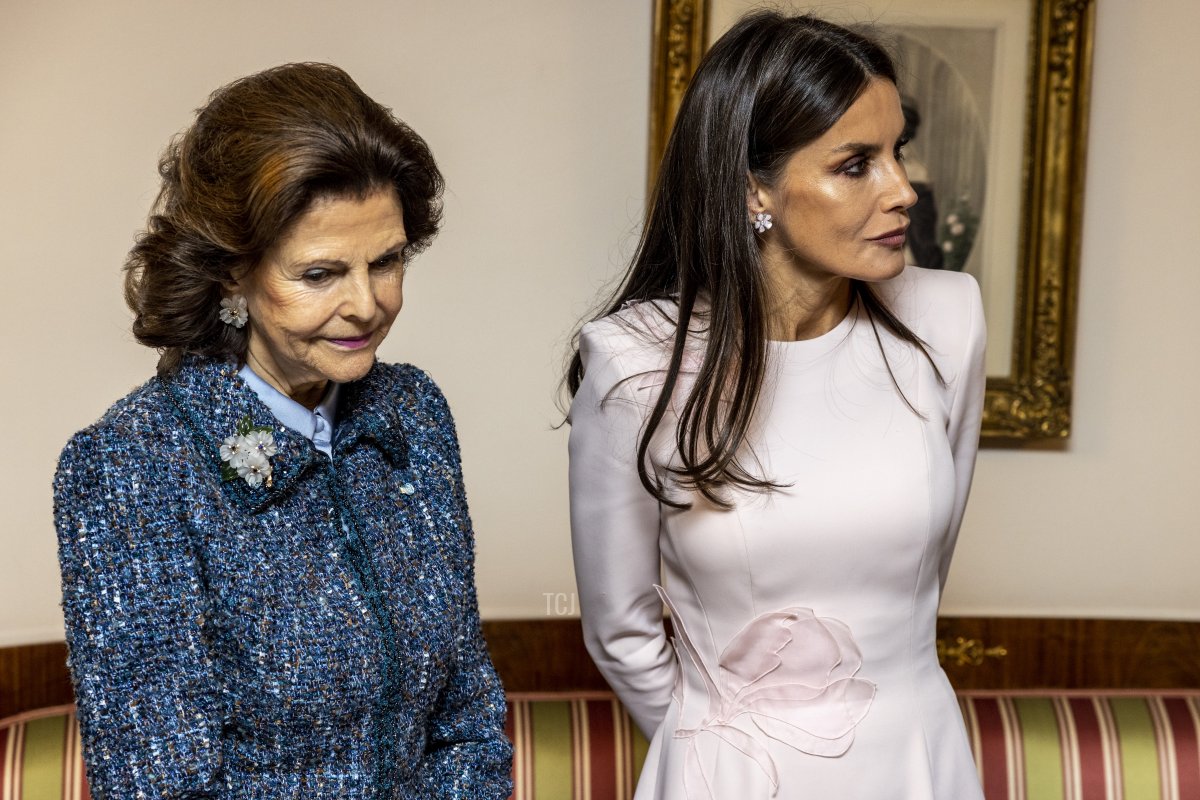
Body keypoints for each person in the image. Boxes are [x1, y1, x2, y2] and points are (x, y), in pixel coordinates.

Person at [53, 63, 512, 798]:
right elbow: (160, 784)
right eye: (321, 273)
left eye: (387, 261)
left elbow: (468, 720)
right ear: (232, 272)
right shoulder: (131, 465)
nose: (367, 305)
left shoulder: (414, 415)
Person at [566, 12, 985, 800]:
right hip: (730, 774)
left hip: (918, 760)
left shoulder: (949, 320)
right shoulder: (633, 362)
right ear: (753, 185)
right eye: (856, 164)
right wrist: (720, 753)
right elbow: (620, 630)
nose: (903, 189)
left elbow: (927, 570)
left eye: (898, 152)